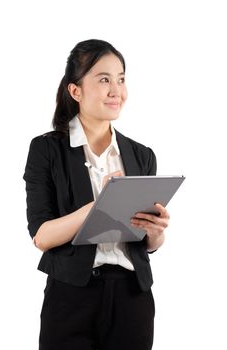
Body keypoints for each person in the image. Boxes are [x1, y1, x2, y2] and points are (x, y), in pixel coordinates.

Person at [23, 39, 170, 350]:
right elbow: (41, 237)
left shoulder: (141, 155)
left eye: (121, 78)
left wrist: (156, 233)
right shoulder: (47, 150)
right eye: (104, 79)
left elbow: (146, 244)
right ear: (75, 91)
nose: (116, 89)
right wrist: (97, 205)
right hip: (71, 296)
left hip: (133, 297)